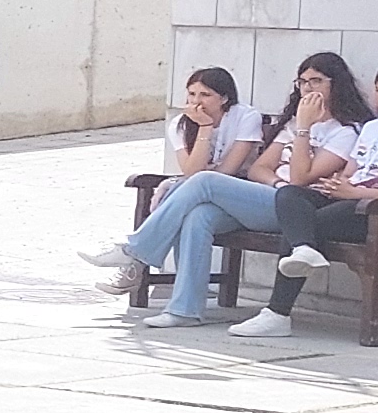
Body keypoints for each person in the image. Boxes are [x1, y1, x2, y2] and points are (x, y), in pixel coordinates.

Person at [234, 57, 378, 339]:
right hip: (354, 202)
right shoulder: (374, 128)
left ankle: (277, 313)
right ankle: (303, 251)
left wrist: (356, 192)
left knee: (307, 223)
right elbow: (351, 172)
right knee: (291, 194)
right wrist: (340, 186)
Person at [92, 59, 319, 328]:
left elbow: (227, 172)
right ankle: (185, 310)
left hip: (261, 200)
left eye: (205, 95)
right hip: (222, 196)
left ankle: (135, 252)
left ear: (224, 98)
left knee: (202, 183)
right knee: (197, 217)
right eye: (192, 94)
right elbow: (192, 171)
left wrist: (201, 175)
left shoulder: (246, 117)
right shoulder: (181, 123)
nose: (197, 101)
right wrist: (204, 128)